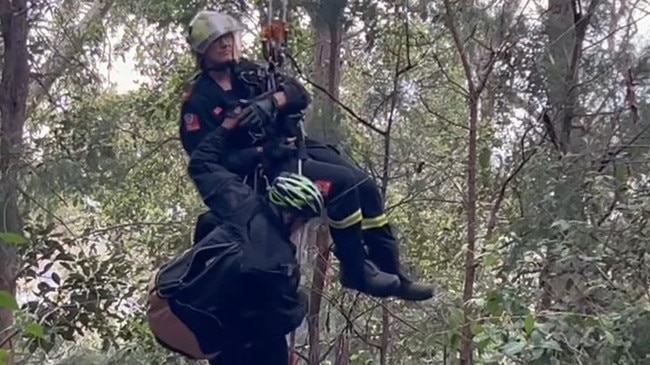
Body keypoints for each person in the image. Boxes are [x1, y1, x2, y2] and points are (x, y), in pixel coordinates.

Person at [180, 10, 434, 301]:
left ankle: (393, 272)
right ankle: (355, 270)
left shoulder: (248, 73)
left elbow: (298, 93)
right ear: (202, 49)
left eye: (228, 38)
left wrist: (271, 102)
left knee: (364, 184)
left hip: (291, 146)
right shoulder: (198, 102)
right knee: (343, 185)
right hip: (263, 170)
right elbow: (208, 161)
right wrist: (258, 151)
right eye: (216, 41)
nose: (225, 45)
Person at [164, 119, 323, 365]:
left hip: (168, 295)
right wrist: (300, 299)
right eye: (304, 221)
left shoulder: (241, 200)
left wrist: (227, 125)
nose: (303, 228)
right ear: (291, 215)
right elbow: (284, 319)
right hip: (200, 326)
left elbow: (201, 163)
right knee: (263, 331)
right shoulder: (277, 263)